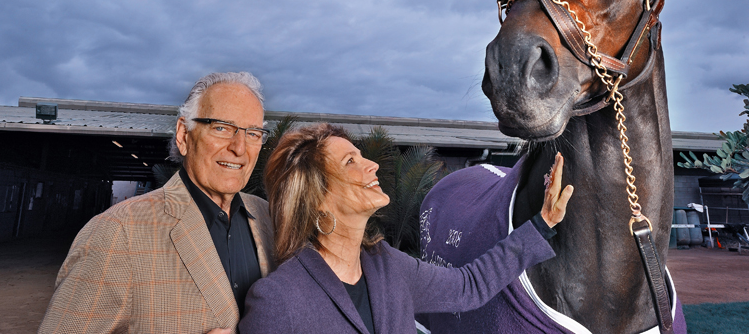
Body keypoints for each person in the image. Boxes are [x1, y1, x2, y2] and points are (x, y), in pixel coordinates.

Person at [239, 123, 574, 334]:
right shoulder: (277, 301)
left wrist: (541, 225)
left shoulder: (387, 266)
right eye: (350, 162)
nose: (372, 165)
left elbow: (468, 287)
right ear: (317, 199)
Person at [39, 72, 276, 334]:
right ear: (184, 135)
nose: (240, 148)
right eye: (221, 127)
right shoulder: (118, 232)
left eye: (253, 133)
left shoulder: (268, 218)